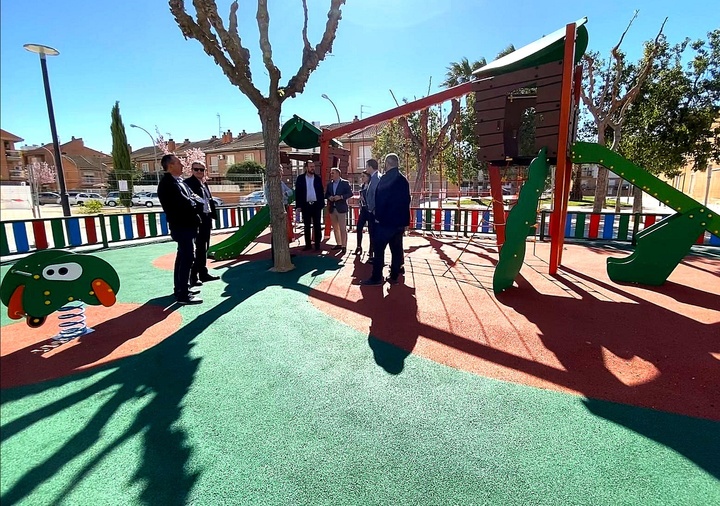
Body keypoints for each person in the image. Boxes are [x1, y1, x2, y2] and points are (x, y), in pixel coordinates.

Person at [157, 154, 203, 304]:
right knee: (187, 258)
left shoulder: (179, 182)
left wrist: (194, 201)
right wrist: (194, 203)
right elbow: (186, 204)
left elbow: (193, 198)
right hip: (181, 226)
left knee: (182, 257)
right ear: (170, 166)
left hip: (187, 226)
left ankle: (181, 288)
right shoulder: (168, 184)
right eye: (178, 163)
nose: (182, 165)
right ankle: (183, 294)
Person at [361, 153, 410, 286]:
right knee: (396, 249)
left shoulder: (385, 179)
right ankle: (394, 275)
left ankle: (376, 277)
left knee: (378, 249)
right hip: (399, 222)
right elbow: (407, 201)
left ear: (387, 164)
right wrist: (406, 222)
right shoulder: (403, 180)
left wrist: (378, 218)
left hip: (385, 222)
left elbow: (381, 200)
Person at [184, 161, 220, 287]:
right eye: (196, 169)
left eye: (202, 170)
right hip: (198, 220)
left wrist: (211, 215)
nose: (199, 172)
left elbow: (208, 200)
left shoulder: (204, 183)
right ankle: (193, 276)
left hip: (206, 218)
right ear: (192, 170)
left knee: (204, 248)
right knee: (198, 249)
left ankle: (203, 273)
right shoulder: (188, 183)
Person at [294, 160, 325, 251]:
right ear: (306, 168)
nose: (313, 168)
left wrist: (321, 204)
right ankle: (308, 245)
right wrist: (298, 206)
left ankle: (317, 245)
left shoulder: (317, 178)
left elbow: (321, 192)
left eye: (313, 166)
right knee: (306, 226)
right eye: (311, 166)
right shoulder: (300, 178)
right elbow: (298, 193)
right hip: (305, 205)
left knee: (317, 225)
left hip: (316, 205)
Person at [265, 170, 294, 262]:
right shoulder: (269, 184)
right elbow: (268, 197)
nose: (281, 173)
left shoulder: (281, 183)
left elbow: (290, 192)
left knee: (285, 231)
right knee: (276, 231)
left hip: (284, 206)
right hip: (275, 208)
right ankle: (275, 254)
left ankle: (285, 252)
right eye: (280, 171)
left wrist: (285, 194)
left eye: (282, 171)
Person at [325, 167, 353, 253]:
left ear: (338, 174)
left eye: (333, 173)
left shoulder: (345, 183)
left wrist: (340, 197)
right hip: (332, 209)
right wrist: (330, 197)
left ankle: (344, 245)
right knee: (335, 228)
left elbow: (350, 193)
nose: (331, 174)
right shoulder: (330, 184)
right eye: (331, 173)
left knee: (342, 228)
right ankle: (339, 243)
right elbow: (326, 194)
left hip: (341, 208)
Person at [364, 159, 380, 262]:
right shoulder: (374, 178)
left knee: (374, 234)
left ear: (370, 167)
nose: (366, 169)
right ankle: (374, 254)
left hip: (374, 211)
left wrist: (371, 208)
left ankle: (376, 256)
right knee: (372, 233)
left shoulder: (376, 178)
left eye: (367, 166)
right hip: (373, 210)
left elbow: (375, 195)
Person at [355, 171, 373, 258]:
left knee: (371, 230)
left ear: (368, 177)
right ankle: (359, 246)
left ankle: (371, 250)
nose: (362, 178)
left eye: (364, 176)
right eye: (361, 176)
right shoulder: (362, 186)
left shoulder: (371, 185)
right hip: (363, 210)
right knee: (359, 227)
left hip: (369, 210)